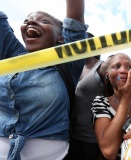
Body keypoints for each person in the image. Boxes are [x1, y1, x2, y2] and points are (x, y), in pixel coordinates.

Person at [0, 0, 87, 159]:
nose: (31, 22)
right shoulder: (10, 56)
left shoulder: (67, 62)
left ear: (61, 37)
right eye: (26, 20)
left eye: (44, 21)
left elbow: (75, 15)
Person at [66, 32, 112, 160]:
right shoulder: (70, 69)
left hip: (93, 138)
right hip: (71, 136)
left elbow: (112, 102)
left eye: (87, 41)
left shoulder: (102, 67)